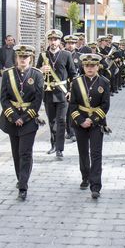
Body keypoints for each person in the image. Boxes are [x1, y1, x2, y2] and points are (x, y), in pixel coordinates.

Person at [0, 45, 44, 201]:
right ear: (16, 57)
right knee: (16, 153)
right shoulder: (8, 74)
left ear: (30, 58)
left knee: (25, 152)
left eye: (26, 57)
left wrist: (23, 118)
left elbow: (38, 100)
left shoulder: (37, 75)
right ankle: (20, 178)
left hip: (28, 120)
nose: (23, 59)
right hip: (12, 119)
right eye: (20, 57)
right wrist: (14, 117)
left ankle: (23, 186)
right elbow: (3, 98)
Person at [69, 53, 110, 199]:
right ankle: (85, 177)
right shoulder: (76, 82)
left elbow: (105, 105)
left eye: (93, 66)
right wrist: (81, 120)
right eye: (87, 66)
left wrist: (92, 119)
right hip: (80, 121)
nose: (90, 68)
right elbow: (72, 104)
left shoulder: (104, 82)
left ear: (97, 66)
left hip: (97, 122)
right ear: (83, 66)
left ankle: (96, 186)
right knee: (83, 151)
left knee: (96, 153)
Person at [36, 29, 76, 158]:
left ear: (59, 41)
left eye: (56, 39)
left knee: (61, 121)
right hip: (48, 93)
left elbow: (73, 75)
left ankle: (60, 149)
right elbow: (35, 74)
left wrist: (70, 91)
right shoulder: (43, 55)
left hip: (62, 93)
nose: (53, 42)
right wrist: (41, 70)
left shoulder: (66, 55)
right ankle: (53, 145)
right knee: (52, 122)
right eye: (51, 39)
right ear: (48, 40)